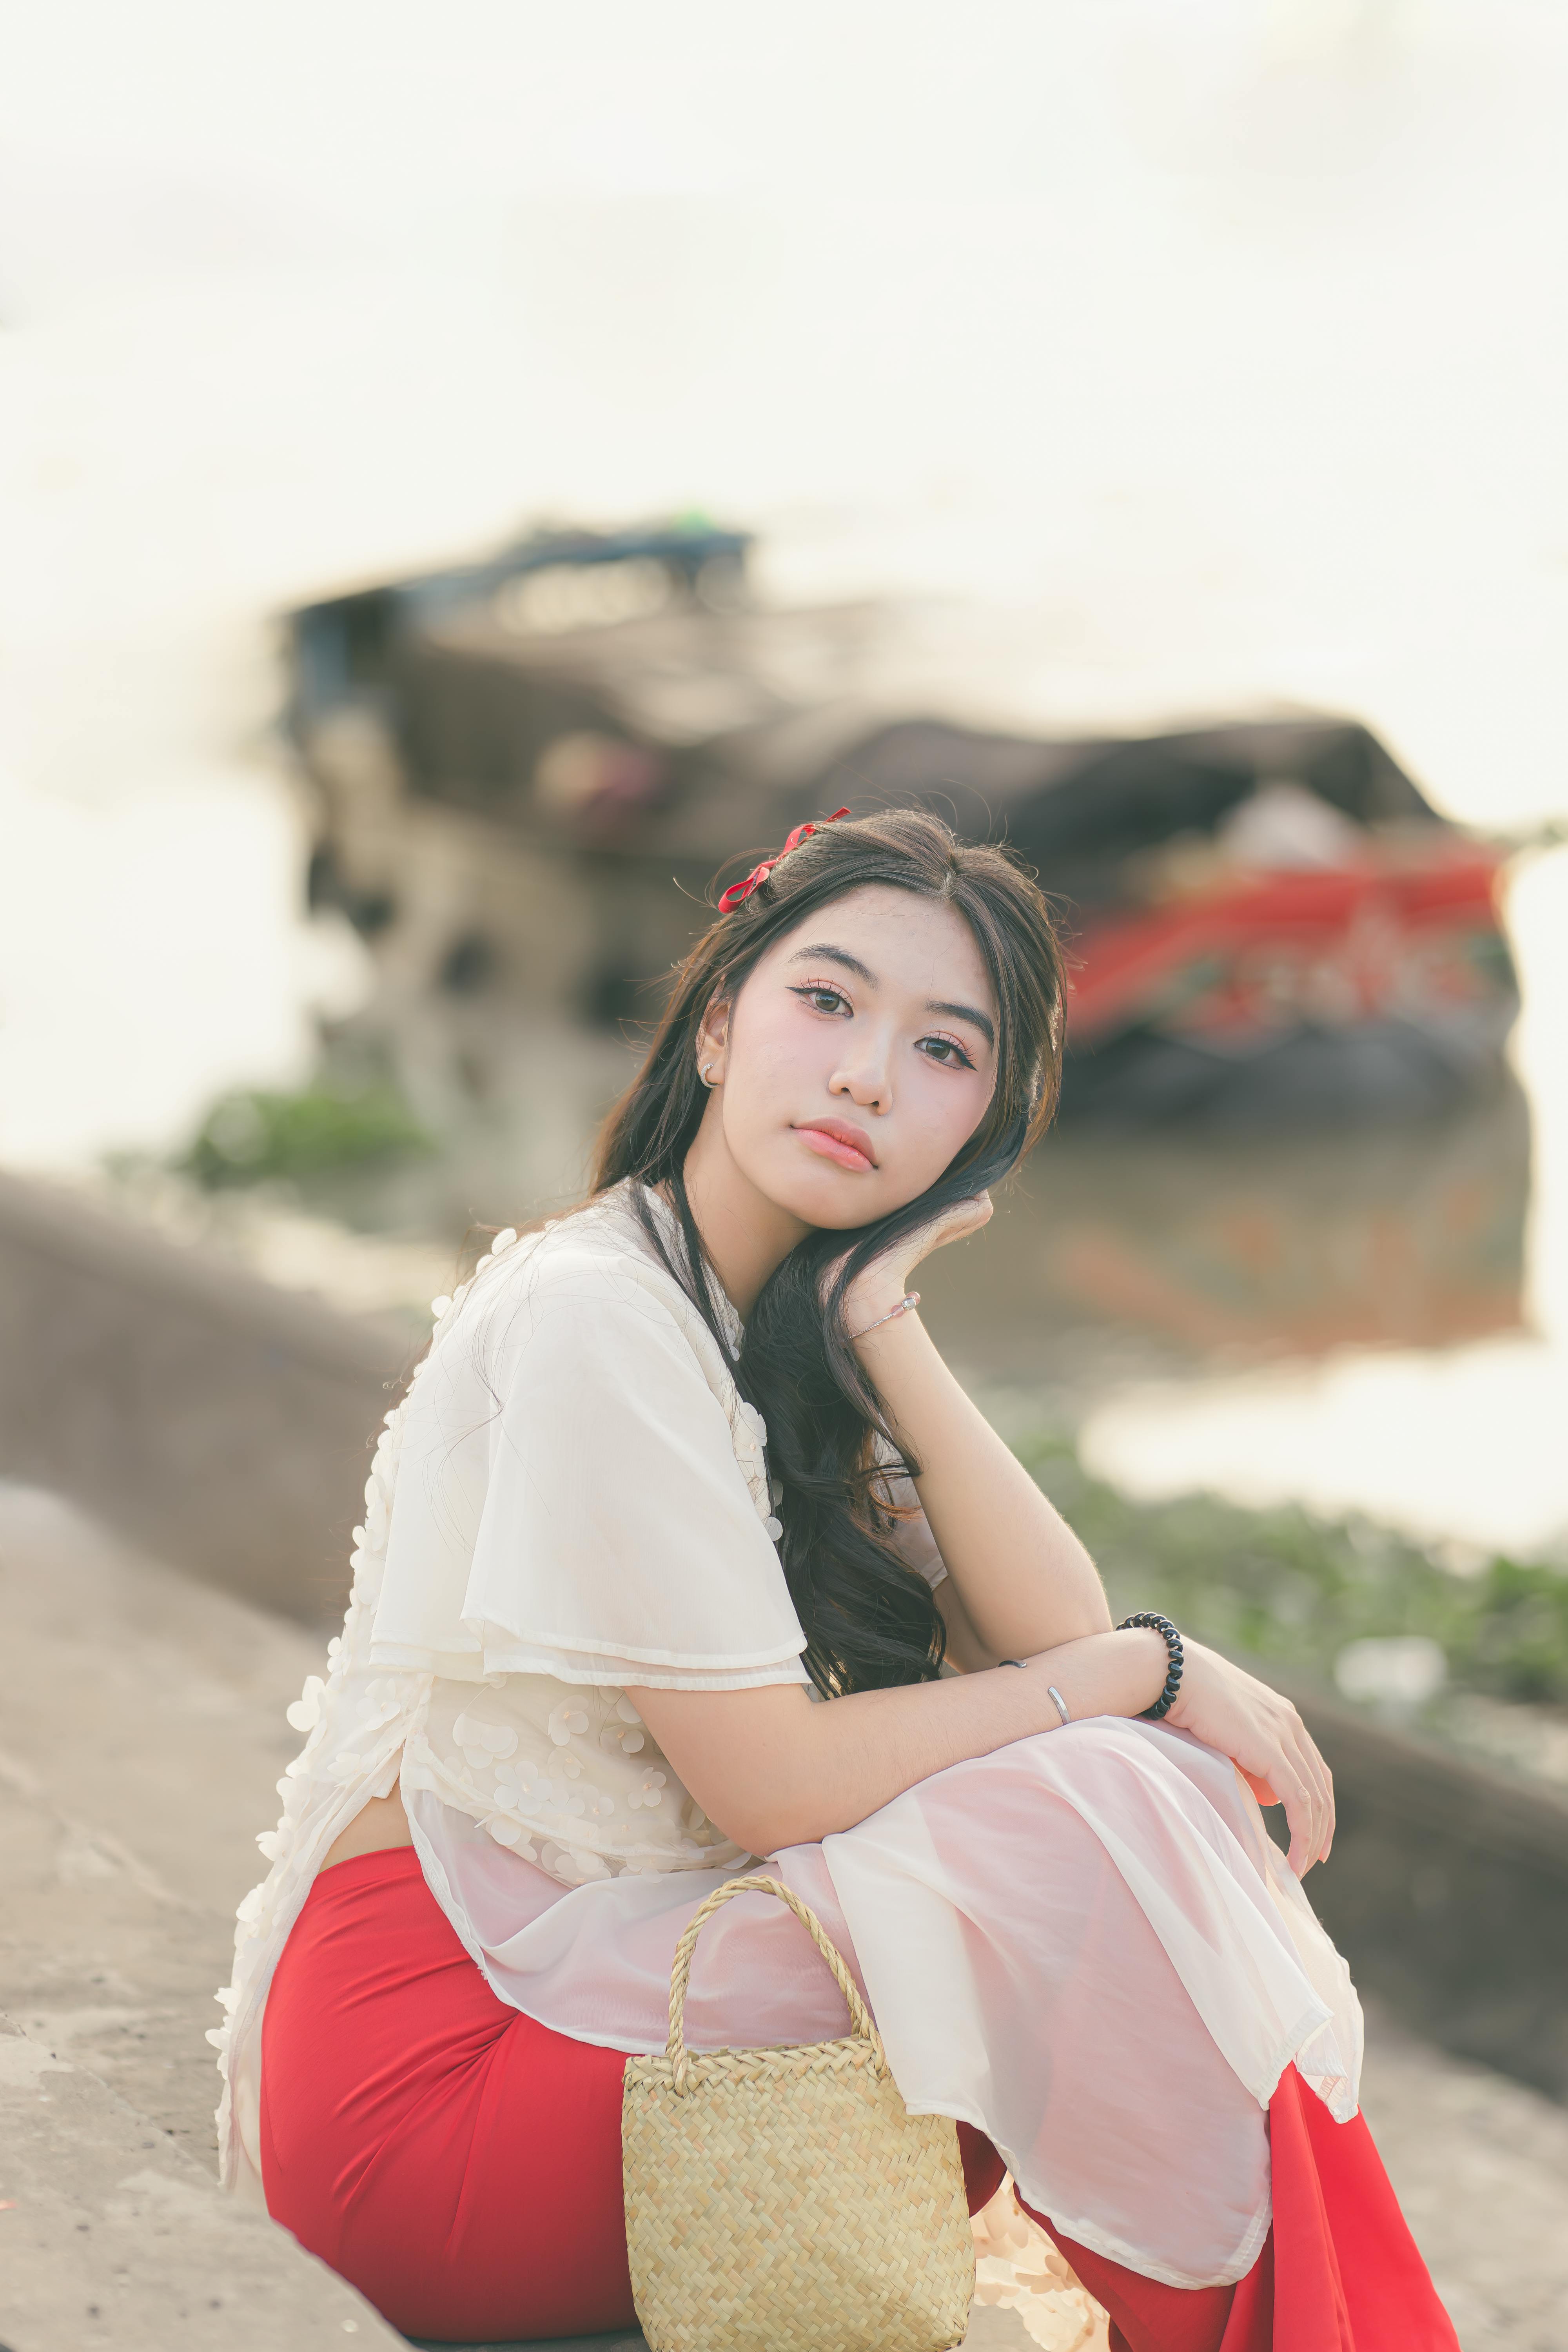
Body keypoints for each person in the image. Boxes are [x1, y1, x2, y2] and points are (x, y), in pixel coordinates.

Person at [216, 807, 1457, 2352]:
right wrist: (1152, 1668)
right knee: (1097, 1810)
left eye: (944, 1053)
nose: (871, 1073)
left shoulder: (774, 1326)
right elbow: (777, 1789)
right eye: (829, 1002)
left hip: (613, 2009)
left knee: (1122, 1799)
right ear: (724, 1023)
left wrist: (881, 1315)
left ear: (979, 1130)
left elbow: (1050, 1634)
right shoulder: (601, 1316)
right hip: (443, 2083)